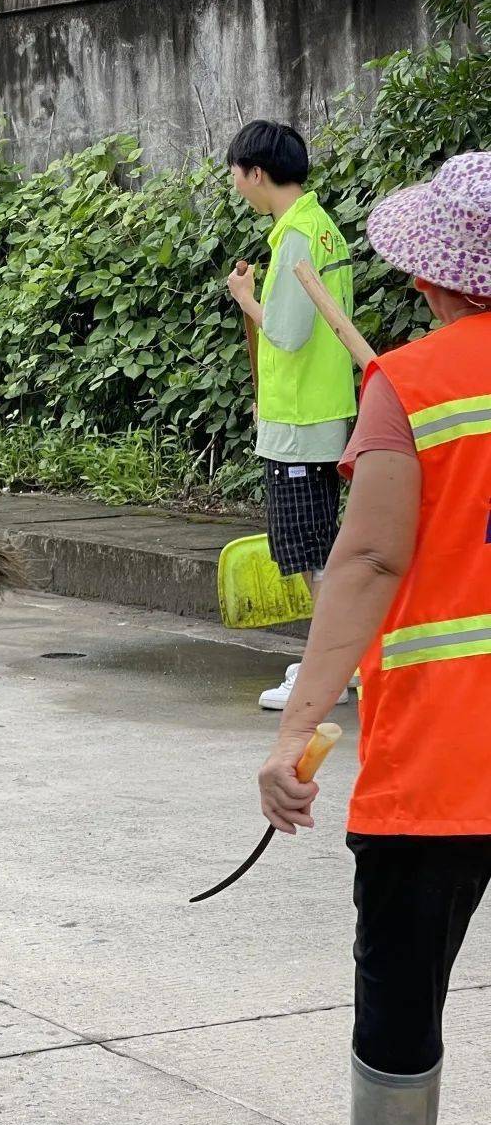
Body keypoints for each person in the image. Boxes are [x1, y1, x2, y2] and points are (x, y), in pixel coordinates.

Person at [258, 151, 491, 1125]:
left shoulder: (416, 381)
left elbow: (364, 565)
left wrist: (299, 725)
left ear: (433, 275)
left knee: (403, 974)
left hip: (450, 753)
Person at [226, 120, 357, 710]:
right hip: (319, 412)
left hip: (300, 426)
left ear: (257, 173)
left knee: (310, 552)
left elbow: (286, 330)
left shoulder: (296, 237)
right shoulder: (321, 228)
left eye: (236, 173)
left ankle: (327, 672)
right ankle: (339, 664)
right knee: (320, 547)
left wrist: (246, 300)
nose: (235, 185)